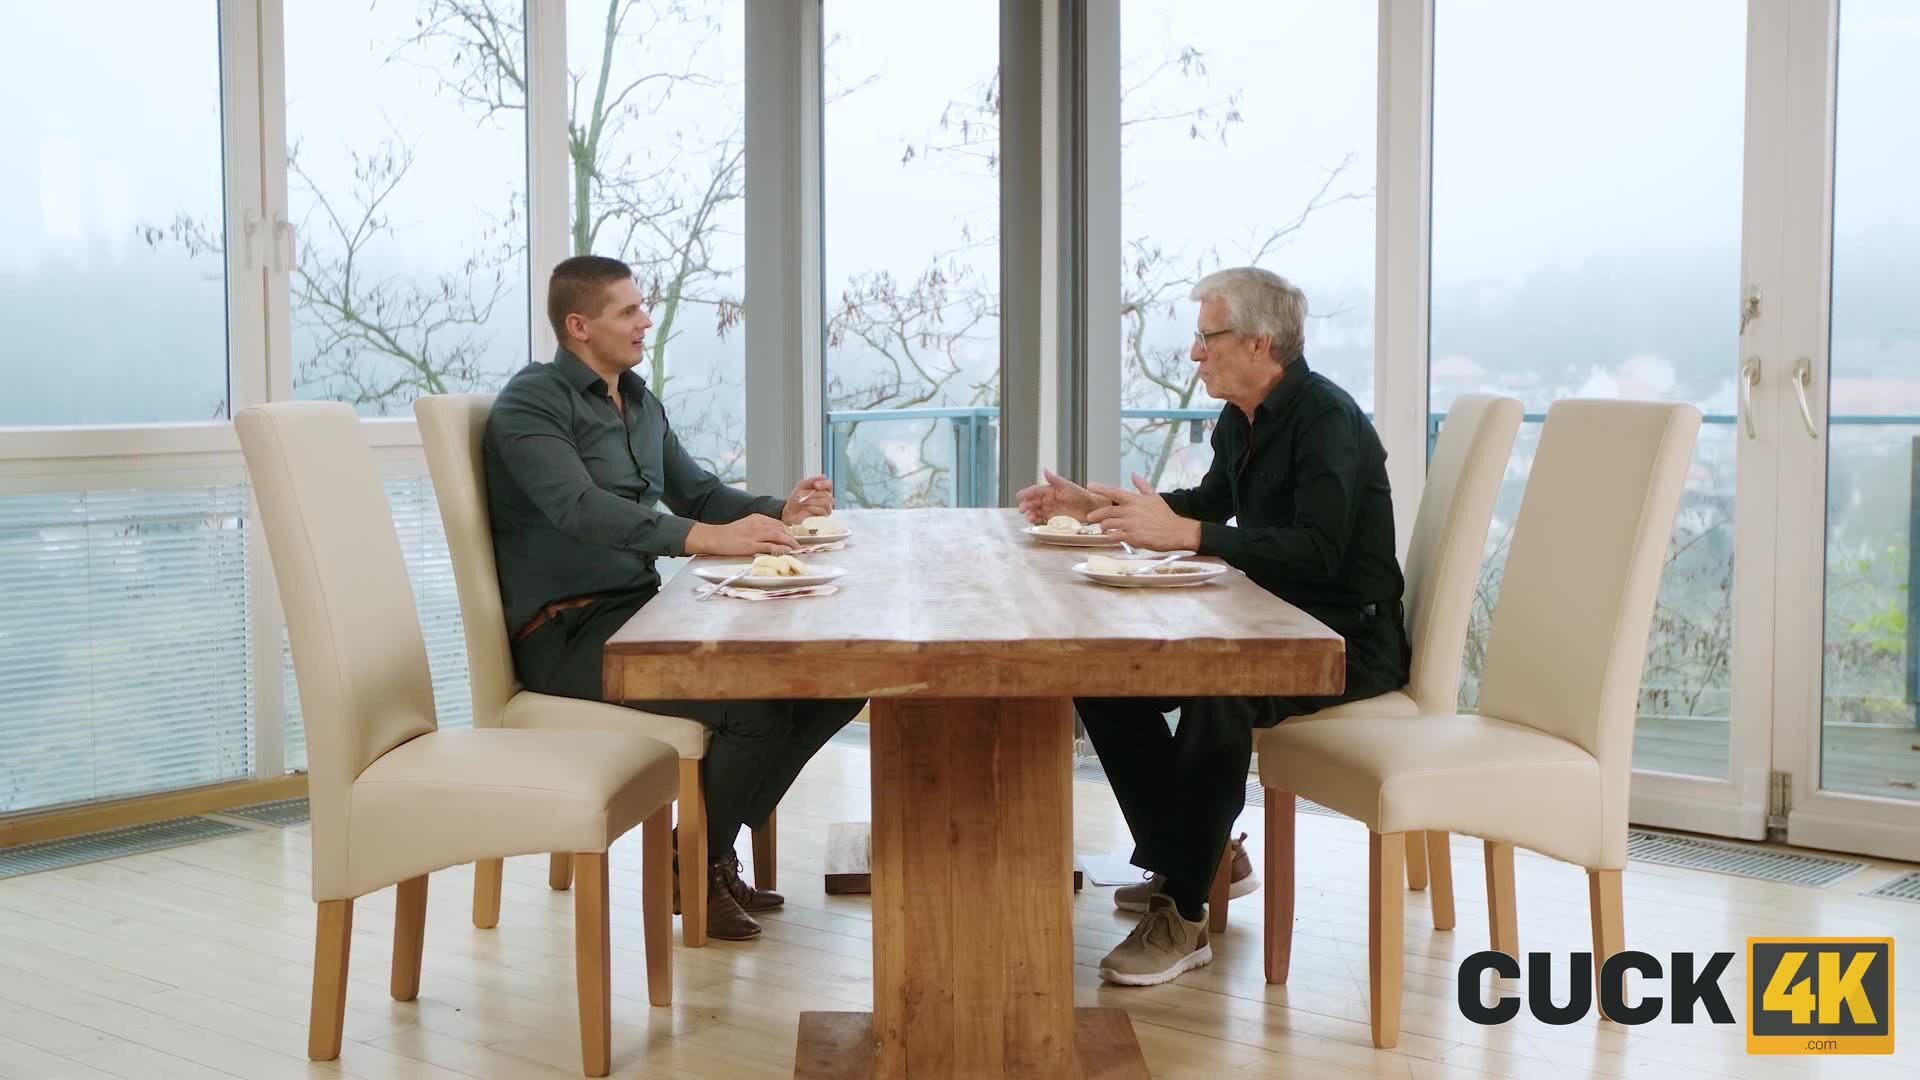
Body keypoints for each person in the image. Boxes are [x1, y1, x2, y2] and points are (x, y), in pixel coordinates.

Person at [1018, 266, 1410, 986]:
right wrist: (1096, 508)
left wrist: (1191, 535)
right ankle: (1201, 858)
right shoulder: (1241, 419)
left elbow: (1318, 550)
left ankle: (1183, 907)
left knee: (1219, 690)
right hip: (1270, 626)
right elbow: (1205, 503)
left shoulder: (1328, 420)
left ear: (1260, 343)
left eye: (1208, 336)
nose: (1195, 353)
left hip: (1344, 643)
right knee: (1103, 678)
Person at [484, 255, 865, 942]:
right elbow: (577, 506)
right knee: (754, 705)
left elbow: (699, 493)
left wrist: (780, 511)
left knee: (834, 680)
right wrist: (703, 539)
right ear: (579, 326)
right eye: (628, 310)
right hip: (567, 637)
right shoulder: (533, 401)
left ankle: (700, 847)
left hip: (643, 617)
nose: (645, 320)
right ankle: (694, 864)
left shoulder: (637, 400)